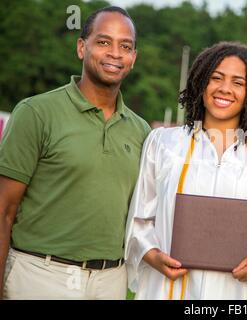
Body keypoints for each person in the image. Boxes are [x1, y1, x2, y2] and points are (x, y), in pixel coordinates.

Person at [124, 41, 247, 300]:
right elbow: (140, 217)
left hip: (238, 293)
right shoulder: (163, 144)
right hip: (168, 288)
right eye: (216, 78)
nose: (225, 88)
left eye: (238, 83)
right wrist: (151, 254)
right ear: (201, 82)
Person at [0, 6, 150, 299]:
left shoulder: (142, 131)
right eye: (104, 42)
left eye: (126, 46)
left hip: (111, 280)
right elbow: (3, 211)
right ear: (82, 47)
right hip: (40, 274)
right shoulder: (36, 112)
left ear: (133, 58)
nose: (115, 53)